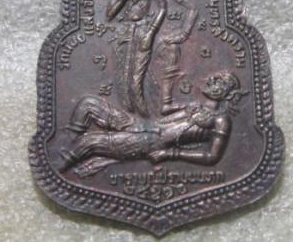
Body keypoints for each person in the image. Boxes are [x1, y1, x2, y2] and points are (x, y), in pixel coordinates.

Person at [59, 71, 248, 177]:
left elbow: (212, 157)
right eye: (215, 77)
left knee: (89, 141)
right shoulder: (195, 105)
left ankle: (58, 169)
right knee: (88, 104)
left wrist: (170, 154)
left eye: (220, 81)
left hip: (149, 143)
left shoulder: (221, 120)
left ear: (227, 93)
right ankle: (64, 147)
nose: (212, 79)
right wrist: (168, 85)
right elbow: (165, 110)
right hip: (141, 125)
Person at [104, 0, 167, 118]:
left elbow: (162, 7)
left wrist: (151, 32)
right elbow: (109, 14)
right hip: (124, 33)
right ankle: (130, 116)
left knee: (136, 78)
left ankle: (146, 115)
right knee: (123, 77)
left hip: (144, 30)